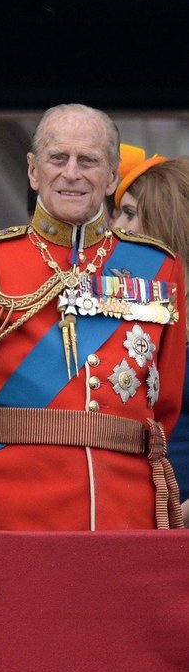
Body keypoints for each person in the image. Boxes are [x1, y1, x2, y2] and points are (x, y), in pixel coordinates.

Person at [0, 104, 187, 530]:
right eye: (58, 158)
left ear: (110, 177)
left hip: (122, 511)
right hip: (7, 513)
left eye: (88, 160)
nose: (72, 173)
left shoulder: (158, 267)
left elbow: (164, 405)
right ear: (33, 171)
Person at [109, 152, 189, 507]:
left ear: (165, 220)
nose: (116, 226)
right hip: (128, 509)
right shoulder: (116, 301)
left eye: (129, 213)